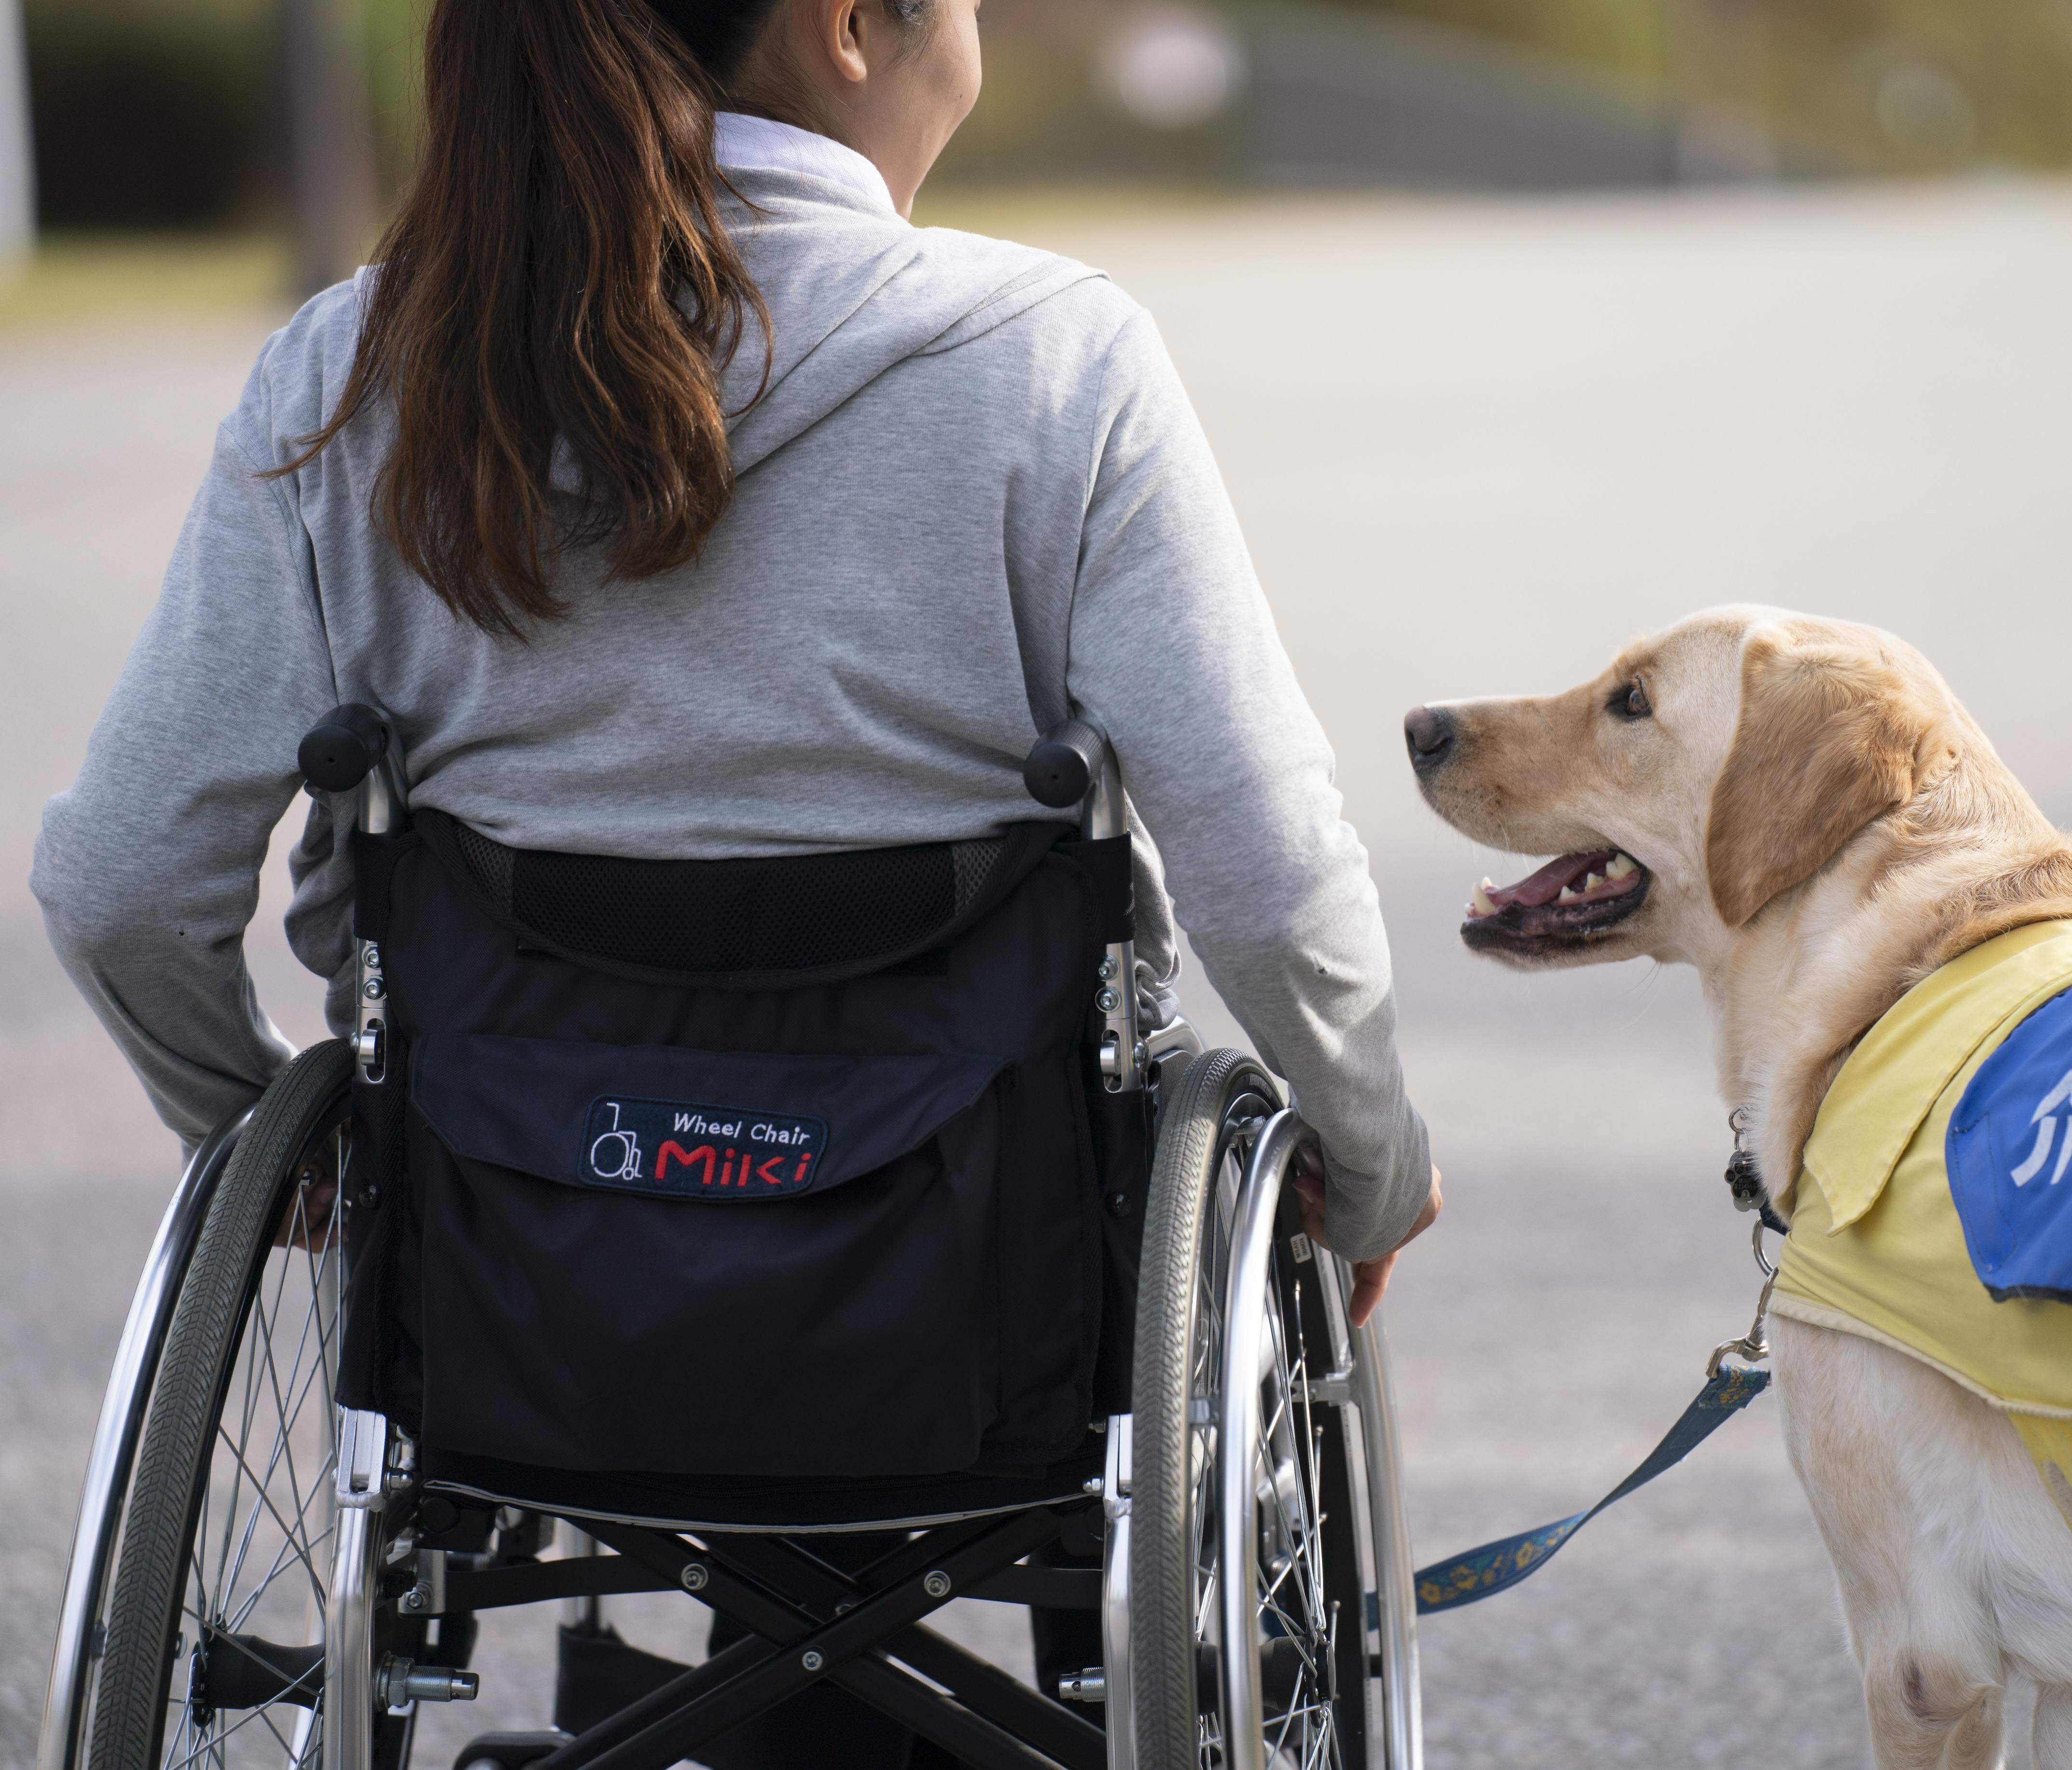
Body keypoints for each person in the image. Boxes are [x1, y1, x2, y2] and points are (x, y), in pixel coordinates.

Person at [32, 0, 1437, 1305]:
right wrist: (1366, 1164)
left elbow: (122, 887)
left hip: (500, 1260)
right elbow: (1266, 873)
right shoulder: (1058, 362)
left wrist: (265, 1132)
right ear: (843, 27)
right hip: (980, 1260)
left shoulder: (356, 372)